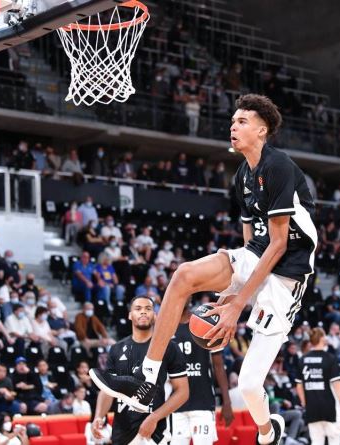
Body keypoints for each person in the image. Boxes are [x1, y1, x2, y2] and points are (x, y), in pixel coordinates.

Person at [91, 94, 317, 445]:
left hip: (288, 273)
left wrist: (237, 305)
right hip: (258, 256)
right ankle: (146, 381)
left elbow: (278, 244)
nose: (233, 126)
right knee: (183, 275)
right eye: (233, 121)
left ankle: (267, 431)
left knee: (250, 385)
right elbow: (250, 244)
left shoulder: (278, 166)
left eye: (242, 121)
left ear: (262, 130)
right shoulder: (243, 174)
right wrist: (231, 291)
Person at [90, 296, 188, 445]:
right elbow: (107, 390)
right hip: (122, 432)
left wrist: (155, 417)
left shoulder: (168, 347)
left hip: (154, 432)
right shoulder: (116, 349)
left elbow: (183, 392)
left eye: (148, 309)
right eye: (138, 309)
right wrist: (99, 416)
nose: (143, 312)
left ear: (155, 315)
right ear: (130, 315)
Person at [170, 301, 234, 445]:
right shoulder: (167, 327)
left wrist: (227, 401)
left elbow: (218, 366)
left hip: (203, 401)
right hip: (174, 404)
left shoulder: (205, 320)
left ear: (191, 295)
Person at [295, 328, 340, 445]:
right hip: (330, 407)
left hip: (312, 408)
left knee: (316, 441)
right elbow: (338, 385)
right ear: (322, 338)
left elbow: (299, 386)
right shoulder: (330, 358)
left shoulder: (302, 359)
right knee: (334, 440)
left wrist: (305, 403)